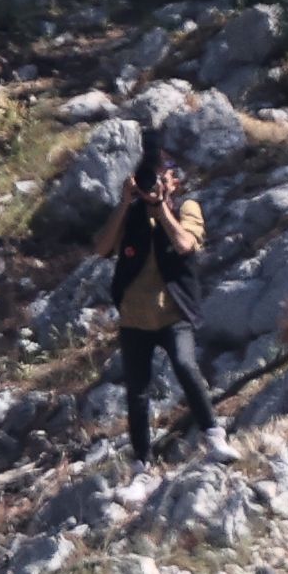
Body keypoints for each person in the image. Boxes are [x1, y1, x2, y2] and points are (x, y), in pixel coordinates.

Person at [95, 151, 233, 469]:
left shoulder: (187, 208)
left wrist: (160, 208)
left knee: (186, 366)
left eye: (161, 177)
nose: (153, 184)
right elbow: (101, 248)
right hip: (135, 317)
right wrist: (124, 202)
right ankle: (141, 465)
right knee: (137, 392)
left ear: (174, 180)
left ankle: (214, 436)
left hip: (173, 312)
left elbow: (185, 244)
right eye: (148, 178)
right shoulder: (131, 214)